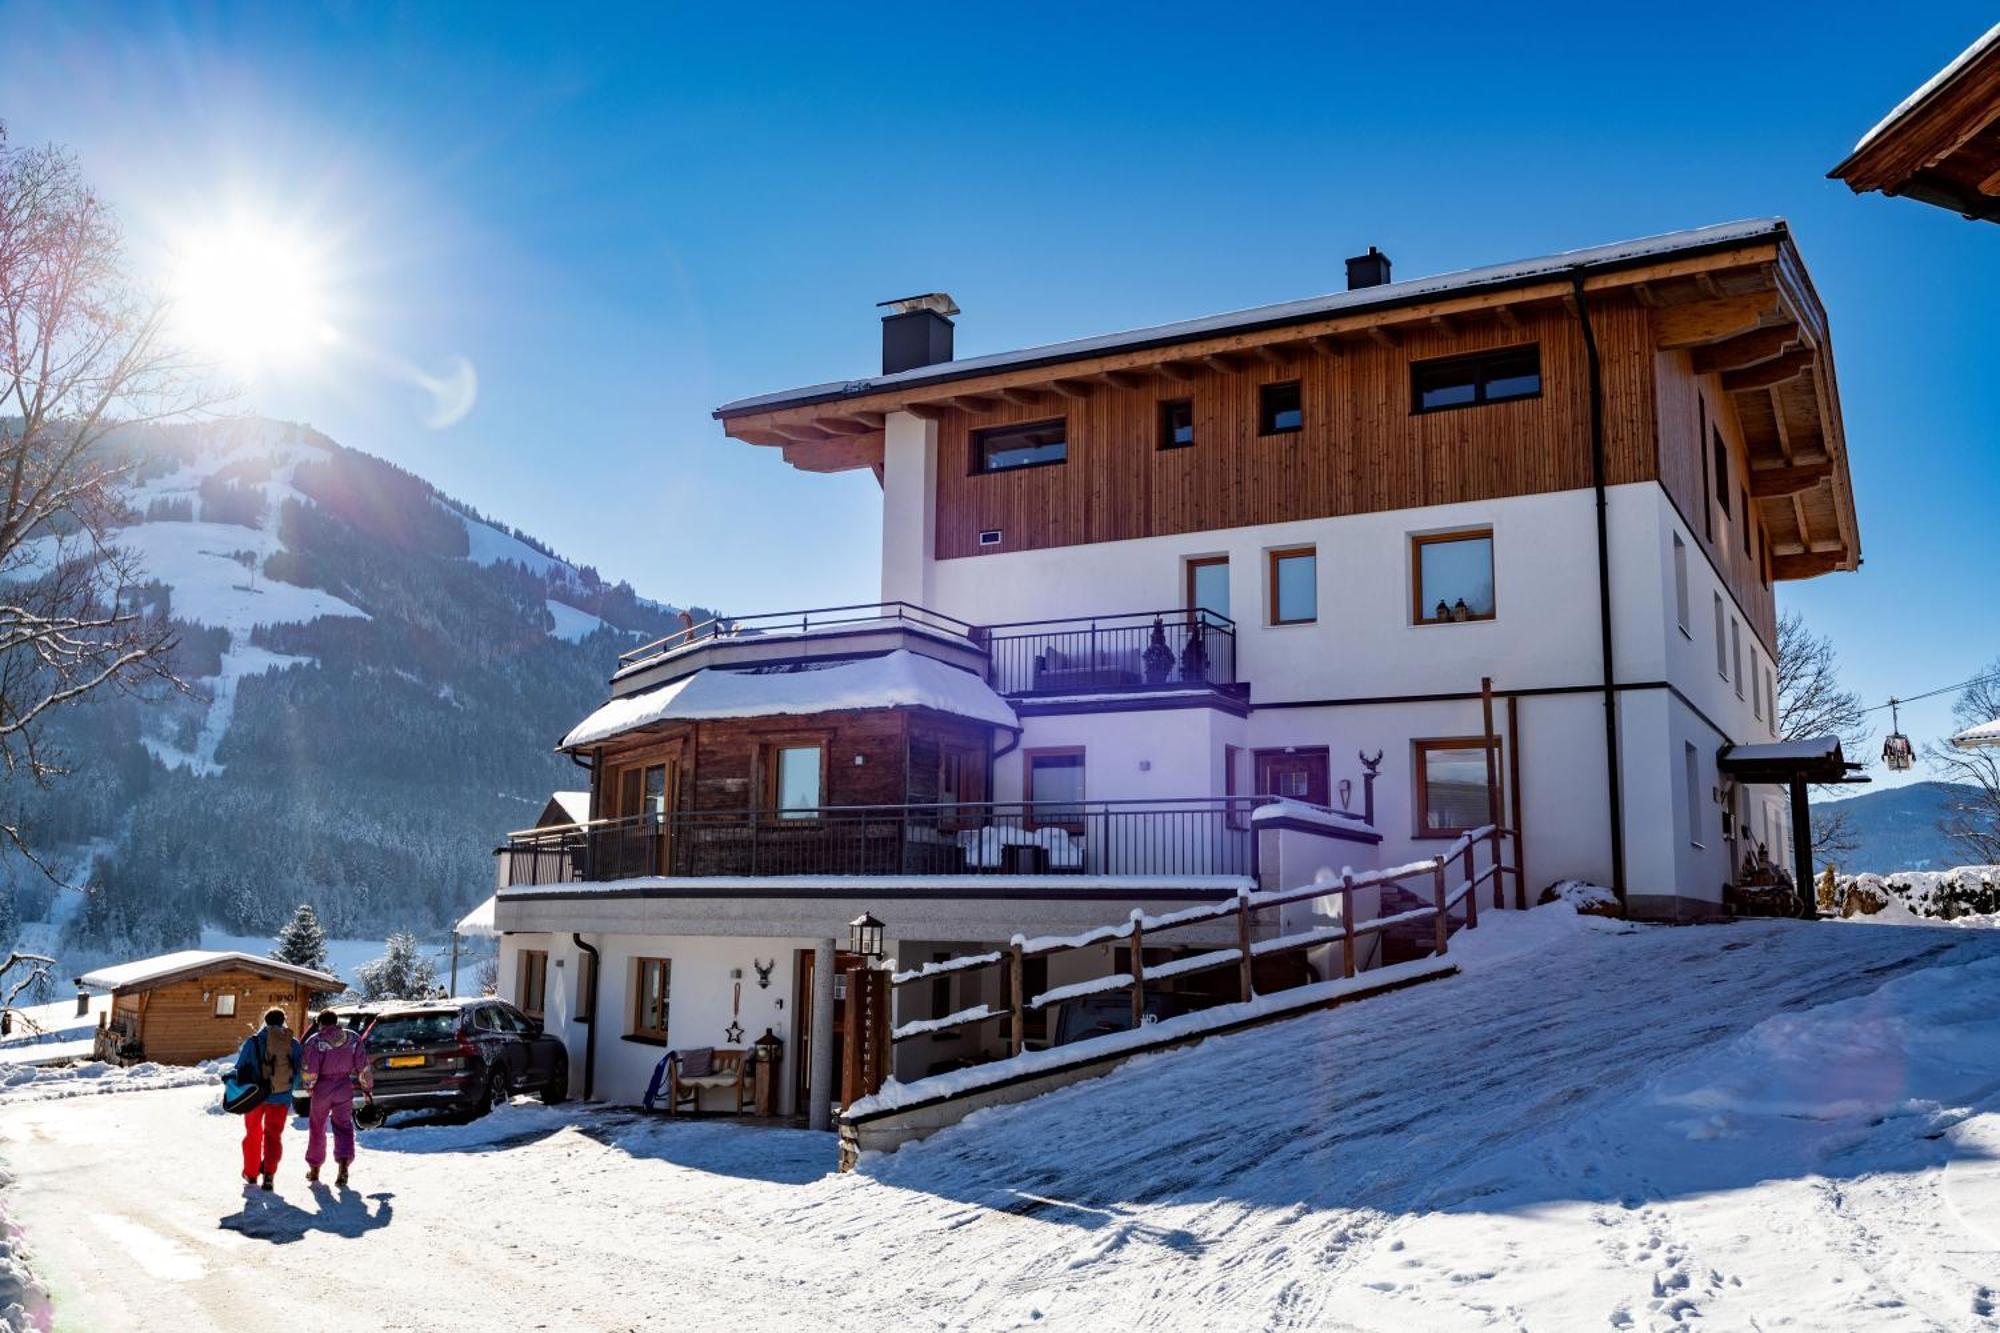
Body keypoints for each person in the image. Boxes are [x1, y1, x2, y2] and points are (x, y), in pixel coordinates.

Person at [301, 1008, 373, 1187]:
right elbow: (363, 1067)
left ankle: (315, 1168)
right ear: (336, 1021)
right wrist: (367, 1090)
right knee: (343, 1126)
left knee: (317, 1127)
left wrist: (309, 1088)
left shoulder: (315, 1041)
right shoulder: (353, 1038)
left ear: (320, 1023)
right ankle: (343, 1166)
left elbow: (310, 1070)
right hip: (344, 1086)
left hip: (322, 1089)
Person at [233, 1008, 302, 1190]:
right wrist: (288, 1089)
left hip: (254, 1097)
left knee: (252, 1134)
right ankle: (269, 1174)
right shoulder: (292, 1043)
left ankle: (251, 1173)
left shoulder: (253, 1041)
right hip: (280, 1097)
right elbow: (298, 1072)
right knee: (273, 1136)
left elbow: (240, 1067)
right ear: (283, 1021)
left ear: (265, 1021)